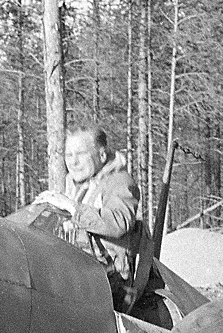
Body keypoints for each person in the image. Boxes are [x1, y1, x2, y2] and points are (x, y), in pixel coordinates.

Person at [34, 127, 142, 310]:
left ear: (101, 155)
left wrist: (72, 207)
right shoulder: (77, 185)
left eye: (81, 154)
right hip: (79, 274)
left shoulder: (119, 182)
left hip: (110, 284)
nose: (73, 162)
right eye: (69, 155)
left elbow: (118, 223)